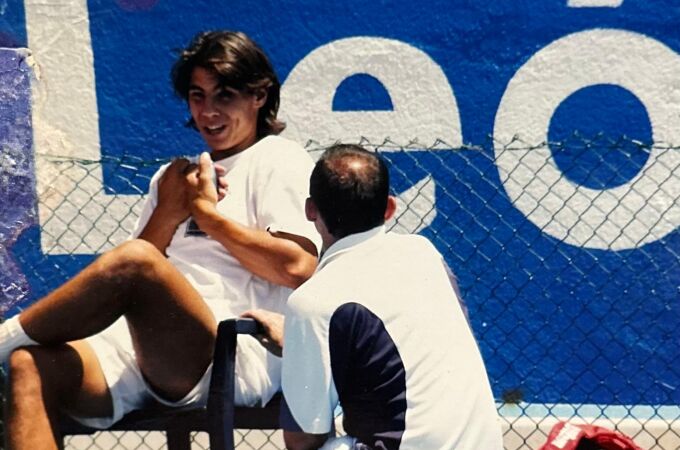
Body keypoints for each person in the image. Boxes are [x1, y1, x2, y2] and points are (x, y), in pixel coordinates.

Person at [0, 30, 319, 449]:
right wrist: (169, 210)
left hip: (228, 353)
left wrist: (208, 215)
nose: (208, 111)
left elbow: (298, 267)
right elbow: (132, 281)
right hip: (143, 352)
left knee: (135, 261)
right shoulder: (171, 178)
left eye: (224, 96)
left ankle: (3, 340)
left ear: (258, 96)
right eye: (197, 96)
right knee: (30, 367)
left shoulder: (278, 158)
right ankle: (11, 350)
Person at [245, 144, 504, 450]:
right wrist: (302, 341)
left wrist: (299, 349)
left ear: (310, 210)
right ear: (389, 208)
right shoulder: (426, 255)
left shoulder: (312, 302)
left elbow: (302, 439)